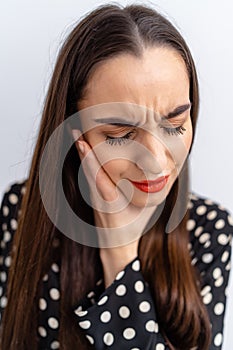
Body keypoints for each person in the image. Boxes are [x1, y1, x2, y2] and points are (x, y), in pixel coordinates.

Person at [0, 4, 232, 350]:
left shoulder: (208, 230)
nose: (155, 162)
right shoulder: (22, 212)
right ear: (73, 134)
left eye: (175, 125)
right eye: (120, 134)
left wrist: (119, 252)